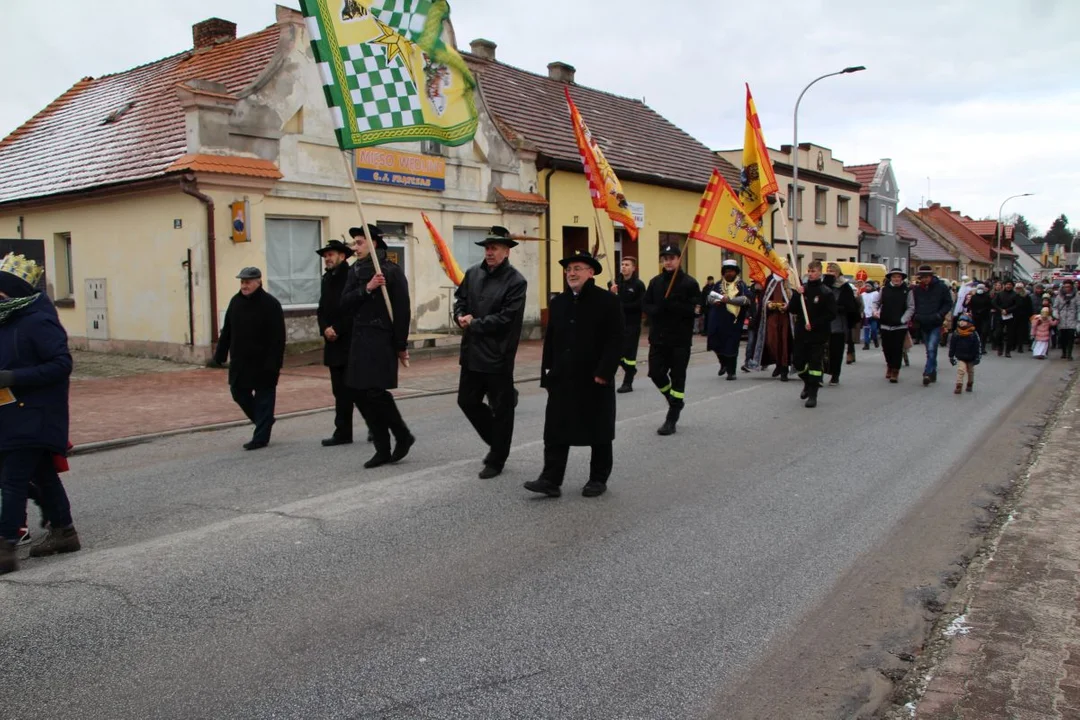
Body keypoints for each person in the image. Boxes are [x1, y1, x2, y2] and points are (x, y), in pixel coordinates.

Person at [0, 253, 80, 574]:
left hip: (36, 412)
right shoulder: (7, 320)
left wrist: (15, 378)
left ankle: (5, 546)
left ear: (16, 294)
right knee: (43, 474)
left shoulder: (38, 321)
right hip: (12, 414)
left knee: (13, 479)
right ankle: (64, 531)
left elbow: (62, 365)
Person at [525, 251, 623, 498]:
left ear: (591, 272)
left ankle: (598, 479)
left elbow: (617, 339)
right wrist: (547, 374)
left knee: (598, 429)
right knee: (555, 429)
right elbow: (550, 342)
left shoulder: (607, 301)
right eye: (569, 269)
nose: (571, 273)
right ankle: (550, 479)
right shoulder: (558, 303)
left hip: (594, 377)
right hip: (563, 377)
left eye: (577, 268)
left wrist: (605, 371)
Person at [453, 226, 528, 480]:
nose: (489, 252)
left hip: (498, 355)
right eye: (487, 247)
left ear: (507, 251)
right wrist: (459, 315)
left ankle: (497, 458)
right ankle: (498, 442)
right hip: (472, 353)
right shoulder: (473, 273)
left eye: (494, 247)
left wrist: (475, 323)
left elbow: (506, 318)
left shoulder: (516, 281)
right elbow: (460, 299)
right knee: (466, 401)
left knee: (502, 409)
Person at [340, 225, 413, 469]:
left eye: (360, 242)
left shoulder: (391, 271)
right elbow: (344, 303)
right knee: (359, 392)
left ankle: (399, 437)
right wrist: (367, 288)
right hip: (359, 338)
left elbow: (402, 310)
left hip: (382, 339)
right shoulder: (355, 271)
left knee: (376, 393)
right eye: (355, 243)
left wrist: (401, 345)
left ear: (374, 244)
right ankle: (385, 446)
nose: (355, 247)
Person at [212, 267, 286, 450]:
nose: (244, 285)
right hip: (241, 361)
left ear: (258, 282)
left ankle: (260, 438)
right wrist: (220, 355)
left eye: (247, 282)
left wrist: (274, 363)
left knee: (264, 399)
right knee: (238, 392)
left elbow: (278, 338)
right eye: (242, 282)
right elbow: (227, 330)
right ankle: (264, 420)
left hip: (264, 363)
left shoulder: (270, 304)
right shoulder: (236, 302)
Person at [643, 242, 701, 435]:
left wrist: (676, 305)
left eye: (671, 258)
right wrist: (656, 310)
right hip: (658, 338)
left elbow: (697, 310)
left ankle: (672, 418)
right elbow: (646, 305)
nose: (668, 262)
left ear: (679, 259)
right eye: (665, 259)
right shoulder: (655, 282)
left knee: (678, 378)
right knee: (655, 373)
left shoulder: (690, 283)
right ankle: (674, 400)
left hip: (679, 340)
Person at [316, 239, 363, 447]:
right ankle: (343, 431)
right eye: (325, 255)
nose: (327, 258)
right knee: (340, 390)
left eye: (331, 254)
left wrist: (338, 328)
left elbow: (353, 308)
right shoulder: (326, 279)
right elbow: (321, 309)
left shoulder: (352, 275)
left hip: (350, 340)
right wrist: (324, 327)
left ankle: (377, 425)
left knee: (360, 388)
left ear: (342, 256)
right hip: (333, 342)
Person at [787, 260, 836, 408]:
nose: (811, 273)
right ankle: (807, 382)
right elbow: (793, 309)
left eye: (814, 271)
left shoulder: (826, 292)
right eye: (809, 270)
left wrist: (814, 324)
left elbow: (831, 314)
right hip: (802, 333)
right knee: (798, 362)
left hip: (818, 334)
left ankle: (813, 394)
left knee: (815, 364)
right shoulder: (803, 290)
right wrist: (797, 294)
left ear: (820, 272)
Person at [706, 259, 750, 381]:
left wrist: (730, 300)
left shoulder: (741, 285)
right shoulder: (718, 284)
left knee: (731, 346)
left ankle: (731, 371)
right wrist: (714, 300)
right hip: (717, 319)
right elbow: (709, 297)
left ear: (735, 272)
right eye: (726, 271)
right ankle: (723, 363)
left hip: (733, 321)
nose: (728, 273)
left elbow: (746, 299)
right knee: (714, 341)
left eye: (731, 271)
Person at [911, 265, 953, 386]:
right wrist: (916, 316)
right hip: (923, 322)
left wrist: (940, 314)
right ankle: (933, 371)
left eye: (926, 277)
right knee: (929, 350)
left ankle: (927, 372)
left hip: (935, 322)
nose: (924, 280)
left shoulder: (941, 287)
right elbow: (913, 304)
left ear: (931, 276)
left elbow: (948, 303)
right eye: (922, 277)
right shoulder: (917, 290)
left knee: (931, 347)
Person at [611, 256, 646, 393]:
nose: (624, 267)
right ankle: (631, 370)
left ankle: (628, 382)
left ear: (633, 268)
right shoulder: (615, 283)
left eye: (627, 265)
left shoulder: (638, 285)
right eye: (622, 264)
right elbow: (610, 303)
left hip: (632, 324)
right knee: (616, 352)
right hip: (618, 324)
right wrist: (612, 294)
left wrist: (621, 303)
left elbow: (640, 305)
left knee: (630, 355)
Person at [874, 268, 915, 383]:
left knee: (897, 349)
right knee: (887, 348)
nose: (896, 279)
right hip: (885, 323)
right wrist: (875, 311)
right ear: (890, 278)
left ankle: (895, 370)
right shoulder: (884, 289)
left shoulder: (907, 291)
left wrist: (903, 319)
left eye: (898, 277)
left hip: (900, 325)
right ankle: (889, 365)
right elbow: (876, 303)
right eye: (894, 277)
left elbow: (911, 307)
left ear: (902, 278)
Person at [823, 262, 858, 385]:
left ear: (838, 273)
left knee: (836, 351)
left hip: (838, 324)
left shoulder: (845, 287)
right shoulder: (823, 285)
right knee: (821, 351)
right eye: (828, 271)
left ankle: (835, 375)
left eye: (832, 271)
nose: (829, 273)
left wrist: (835, 308)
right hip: (823, 324)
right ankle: (819, 375)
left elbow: (850, 306)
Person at [757, 275, 793, 382]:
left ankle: (784, 369)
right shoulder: (771, 280)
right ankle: (778, 362)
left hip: (787, 317)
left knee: (785, 342)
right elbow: (764, 297)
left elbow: (794, 297)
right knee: (772, 341)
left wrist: (788, 305)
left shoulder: (791, 279)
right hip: (773, 316)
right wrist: (769, 304)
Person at [948, 313, 981, 394]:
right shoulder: (956, 333)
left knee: (970, 371)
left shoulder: (973, 334)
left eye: (964, 321)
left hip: (971, 357)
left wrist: (978, 357)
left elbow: (978, 346)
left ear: (969, 323)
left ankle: (970, 383)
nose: (961, 322)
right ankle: (959, 385)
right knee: (961, 370)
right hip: (961, 356)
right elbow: (952, 346)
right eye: (960, 321)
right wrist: (951, 356)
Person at [1052, 279, 1079, 359]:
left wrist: (1078, 318)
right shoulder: (1059, 296)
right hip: (1062, 319)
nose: (1067, 288)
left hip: (1072, 319)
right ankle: (1064, 352)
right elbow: (1055, 307)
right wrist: (1056, 315)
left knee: (1071, 337)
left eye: (1069, 287)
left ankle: (1069, 354)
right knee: (1063, 338)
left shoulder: (1076, 296)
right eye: (1065, 287)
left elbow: (1078, 307)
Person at [741, 279, 763, 372]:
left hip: (761, 324)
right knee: (750, 343)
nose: (758, 285)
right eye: (757, 283)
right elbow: (745, 307)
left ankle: (761, 362)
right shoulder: (750, 294)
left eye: (760, 283)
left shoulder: (764, 295)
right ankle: (747, 362)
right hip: (752, 323)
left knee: (761, 344)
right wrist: (748, 316)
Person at [993, 279, 1018, 357]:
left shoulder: (1015, 295)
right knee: (998, 333)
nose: (1008, 286)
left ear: (1012, 286)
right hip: (1000, 315)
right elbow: (994, 303)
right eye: (1007, 284)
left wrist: (1007, 310)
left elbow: (1017, 305)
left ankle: (1008, 351)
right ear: (1004, 285)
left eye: (1010, 284)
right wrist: (1001, 310)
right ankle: (1000, 347)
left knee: (1010, 334)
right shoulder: (1000, 294)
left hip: (1011, 316)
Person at [966, 283, 993, 354]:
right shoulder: (973, 297)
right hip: (976, 317)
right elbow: (970, 306)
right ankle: (976, 346)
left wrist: (982, 310)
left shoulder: (987, 297)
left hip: (985, 317)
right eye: (979, 288)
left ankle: (982, 347)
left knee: (984, 332)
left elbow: (989, 306)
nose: (980, 290)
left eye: (982, 288)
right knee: (976, 332)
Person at [1013, 282, 1034, 354]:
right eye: (1017, 288)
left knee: (1021, 332)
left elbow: (1029, 306)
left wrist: (1030, 316)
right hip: (1014, 316)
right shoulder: (1013, 296)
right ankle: (1014, 345)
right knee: (1014, 331)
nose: (1018, 290)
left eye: (1020, 288)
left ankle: (1020, 346)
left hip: (1023, 316)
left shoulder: (1026, 296)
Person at [861, 280, 880, 350]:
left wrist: (877, 311)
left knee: (874, 329)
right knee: (866, 329)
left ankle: (875, 339)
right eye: (866, 286)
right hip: (866, 314)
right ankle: (866, 344)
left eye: (869, 286)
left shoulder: (876, 294)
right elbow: (861, 304)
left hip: (873, 314)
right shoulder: (863, 294)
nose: (867, 287)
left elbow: (878, 303)